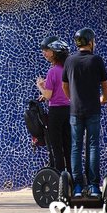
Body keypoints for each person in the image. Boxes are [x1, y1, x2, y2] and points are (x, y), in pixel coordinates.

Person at [62, 28, 107, 197]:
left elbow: (65, 86)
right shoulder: (97, 60)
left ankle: (77, 187)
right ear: (90, 42)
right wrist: (103, 98)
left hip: (75, 110)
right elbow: (105, 85)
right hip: (93, 110)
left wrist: (72, 99)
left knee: (75, 147)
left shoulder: (69, 61)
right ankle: (94, 186)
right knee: (93, 146)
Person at [36, 38, 71, 174]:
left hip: (55, 112)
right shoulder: (67, 70)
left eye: (46, 50)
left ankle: (60, 174)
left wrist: (40, 87)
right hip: (69, 110)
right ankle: (72, 176)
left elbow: (49, 95)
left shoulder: (52, 72)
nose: (44, 53)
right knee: (68, 145)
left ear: (54, 52)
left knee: (56, 146)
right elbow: (62, 90)